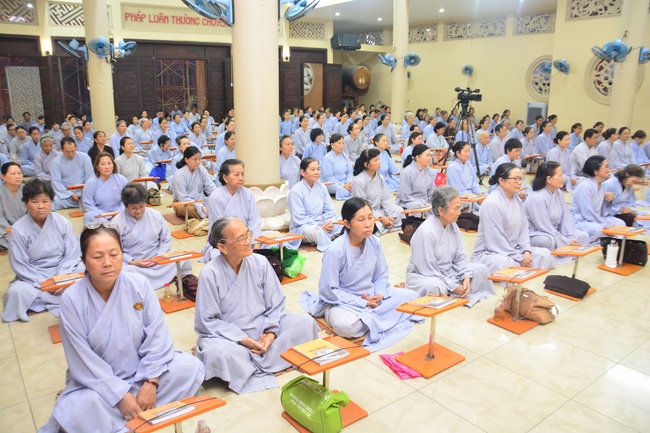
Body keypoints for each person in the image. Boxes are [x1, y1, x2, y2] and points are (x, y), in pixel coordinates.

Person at [39, 224, 204, 433]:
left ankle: (125, 413)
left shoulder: (139, 284)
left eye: (114, 254)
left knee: (189, 366)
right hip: (99, 383)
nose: (107, 263)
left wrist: (151, 382)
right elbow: (82, 359)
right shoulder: (72, 299)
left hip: (141, 372)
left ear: (122, 255)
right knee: (78, 408)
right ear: (83, 261)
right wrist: (120, 395)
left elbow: (157, 336)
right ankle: (133, 411)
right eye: (97, 257)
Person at [194, 217, 319, 394]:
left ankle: (255, 361)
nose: (248, 241)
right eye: (240, 239)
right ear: (222, 247)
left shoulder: (260, 262)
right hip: (231, 339)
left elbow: (276, 304)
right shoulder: (210, 274)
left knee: (305, 323)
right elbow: (207, 321)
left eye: (248, 235)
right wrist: (243, 339)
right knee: (217, 352)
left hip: (263, 328)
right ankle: (265, 360)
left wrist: (270, 333)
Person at [300, 198, 420, 351]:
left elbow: (381, 274)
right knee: (347, 326)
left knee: (412, 297)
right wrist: (361, 303)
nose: (368, 224)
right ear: (347, 224)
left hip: (371, 296)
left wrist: (379, 294)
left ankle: (372, 318)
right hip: (341, 303)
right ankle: (376, 318)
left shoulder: (375, 242)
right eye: (361, 220)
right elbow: (329, 290)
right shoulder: (335, 250)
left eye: (370, 217)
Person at [2, 179, 85, 322]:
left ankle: (47, 298)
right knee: (17, 292)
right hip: (34, 276)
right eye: (35, 202)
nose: (41, 206)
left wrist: (60, 279)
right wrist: (45, 283)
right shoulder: (18, 229)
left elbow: (71, 254)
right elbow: (20, 263)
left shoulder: (62, 223)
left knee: (88, 271)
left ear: (51, 202)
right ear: (26, 203)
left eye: (45, 201)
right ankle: (63, 296)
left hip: (63, 270)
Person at [405, 186, 493, 307]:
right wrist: (453, 286)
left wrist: (466, 276)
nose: (459, 213)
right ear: (441, 210)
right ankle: (448, 291)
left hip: (450, 272)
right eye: (456, 209)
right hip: (425, 275)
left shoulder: (453, 225)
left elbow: (461, 256)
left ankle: (454, 291)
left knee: (481, 269)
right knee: (435, 287)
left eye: (460, 208)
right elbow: (427, 269)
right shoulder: (426, 232)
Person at [471, 163, 555, 273]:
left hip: (516, 249)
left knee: (545, 255)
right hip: (492, 252)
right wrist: (519, 258)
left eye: (521, 179)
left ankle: (520, 266)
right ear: (501, 181)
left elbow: (524, 229)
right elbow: (496, 238)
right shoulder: (491, 203)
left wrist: (526, 251)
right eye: (515, 179)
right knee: (504, 264)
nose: (519, 182)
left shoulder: (518, 200)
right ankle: (519, 266)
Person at [113, 183, 192, 289]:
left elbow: (165, 240)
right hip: (134, 264)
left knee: (184, 257)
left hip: (157, 259)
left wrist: (158, 257)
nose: (138, 211)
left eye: (142, 206)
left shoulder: (155, 215)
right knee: (122, 272)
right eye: (134, 208)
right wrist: (133, 262)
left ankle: (173, 276)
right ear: (126, 206)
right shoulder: (117, 222)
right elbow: (114, 250)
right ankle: (165, 277)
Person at [203, 159, 262, 261]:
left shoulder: (248, 194)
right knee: (218, 256)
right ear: (225, 178)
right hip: (227, 242)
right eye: (236, 175)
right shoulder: (215, 198)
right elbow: (220, 229)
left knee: (274, 243)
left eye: (242, 174)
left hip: (248, 238)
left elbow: (254, 221)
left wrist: (255, 244)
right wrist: (240, 242)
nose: (241, 178)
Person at [524, 161, 590, 251]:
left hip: (557, 231)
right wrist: (566, 241)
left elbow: (566, 217)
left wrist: (569, 236)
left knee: (583, 236)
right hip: (539, 233)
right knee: (548, 241)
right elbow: (543, 226)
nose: (563, 178)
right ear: (549, 179)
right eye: (560, 176)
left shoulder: (557, 192)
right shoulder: (536, 197)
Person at [287, 157, 341, 251]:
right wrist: (319, 226)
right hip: (303, 227)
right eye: (312, 169)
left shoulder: (322, 187)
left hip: (322, 222)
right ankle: (332, 243)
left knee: (343, 221)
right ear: (303, 172)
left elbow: (330, 210)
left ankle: (331, 237)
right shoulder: (296, 191)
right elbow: (299, 219)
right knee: (314, 231)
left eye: (318, 169)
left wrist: (328, 223)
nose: (316, 172)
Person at [570, 155, 624, 243]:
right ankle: (604, 241)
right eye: (606, 166)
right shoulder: (585, 186)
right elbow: (587, 212)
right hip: (581, 220)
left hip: (596, 218)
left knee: (620, 223)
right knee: (598, 229)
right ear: (596, 171)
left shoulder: (600, 186)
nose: (608, 169)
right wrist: (604, 225)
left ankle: (613, 242)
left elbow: (602, 210)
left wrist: (607, 199)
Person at [352, 148, 403, 235]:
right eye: (375, 160)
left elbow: (385, 199)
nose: (379, 162)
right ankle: (383, 224)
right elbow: (362, 206)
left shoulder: (380, 177)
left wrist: (390, 215)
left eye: (379, 159)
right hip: (366, 212)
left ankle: (388, 223)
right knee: (370, 223)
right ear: (366, 164)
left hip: (380, 209)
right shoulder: (358, 180)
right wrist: (381, 217)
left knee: (399, 211)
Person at [171, 146, 216, 219]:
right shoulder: (179, 175)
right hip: (184, 203)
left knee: (218, 202)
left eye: (199, 159)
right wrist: (200, 207)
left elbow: (210, 186)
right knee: (190, 209)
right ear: (186, 160)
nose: (198, 162)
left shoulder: (201, 169)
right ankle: (210, 214)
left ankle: (209, 213)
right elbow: (182, 197)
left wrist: (217, 197)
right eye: (195, 159)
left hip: (201, 200)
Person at [82, 153, 128, 224]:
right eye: (103, 164)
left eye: (109, 163)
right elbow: (88, 204)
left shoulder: (121, 179)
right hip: (100, 214)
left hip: (119, 213)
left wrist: (117, 213)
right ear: (97, 167)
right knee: (89, 215)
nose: (107, 167)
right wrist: (105, 216)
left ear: (113, 165)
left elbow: (126, 199)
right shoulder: (91, 182)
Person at [51, 137, 94, 210]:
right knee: (50, 204)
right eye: (68, 152)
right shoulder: (56, 162)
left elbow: (90, 177)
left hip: (84, 193)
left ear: (76, 147)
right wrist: (71, 194)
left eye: (73, 151)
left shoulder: (84, 157)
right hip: (65, 195)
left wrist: (82, 193)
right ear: (61, 150)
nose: (71, 154)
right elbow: (56, 182)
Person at [397, 144, 435, 215]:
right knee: (417, 206)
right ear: (418, 158)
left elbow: (431, 192)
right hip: (408, 202)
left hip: (425, 202)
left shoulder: (428, 171)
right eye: (427, 155)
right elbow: (404, 196)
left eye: (430, 155)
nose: (430, 158)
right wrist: (423, 203)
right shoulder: (407, 172)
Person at [446, 141, 483, 211]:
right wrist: (474, 197)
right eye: (466, 152)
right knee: (472, 203)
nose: (468, 154)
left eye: (469, 151)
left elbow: (474, 183)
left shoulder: (468, 164)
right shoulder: (452, 167)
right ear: (458, 153)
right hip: (459, 196)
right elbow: (458, 189)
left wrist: (479, 193)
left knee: (488, 197)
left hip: (472, 194)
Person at [0, 162, 27, 252]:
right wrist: (9, 228)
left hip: (26, 226)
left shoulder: (28, 190)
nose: (17, 176)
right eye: (13, 174)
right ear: (3, 177)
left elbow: (33, 211)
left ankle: (17, 245)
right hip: (6, 229)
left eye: (19, 173)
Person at [321, 134, 353, 200]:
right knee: (340, 189)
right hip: (332, 183)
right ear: (332, 145)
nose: (342, 145)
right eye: (339, 143)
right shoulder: (327, 158)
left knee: (358, 185)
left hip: (345, 181)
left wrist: (349, 183)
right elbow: (328, 177)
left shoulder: (344, 156)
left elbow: (350, 172)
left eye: (343, 143)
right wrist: (343, 185)